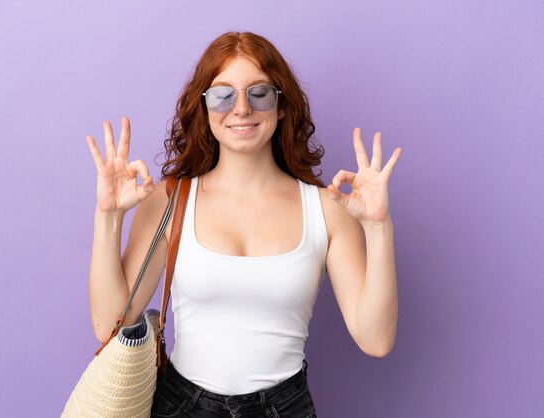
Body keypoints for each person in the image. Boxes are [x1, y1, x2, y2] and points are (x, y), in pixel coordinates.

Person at [84, 31, 401, 417]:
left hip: (286, 408)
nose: (241, 109)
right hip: (183, 406)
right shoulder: (168, 202)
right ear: (203, 107)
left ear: (282, 105)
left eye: (259, 93)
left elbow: (377, 339)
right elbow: (109, 324)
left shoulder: (328, 209)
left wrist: (378, 227)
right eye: (222, 94)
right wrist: (108, 216)